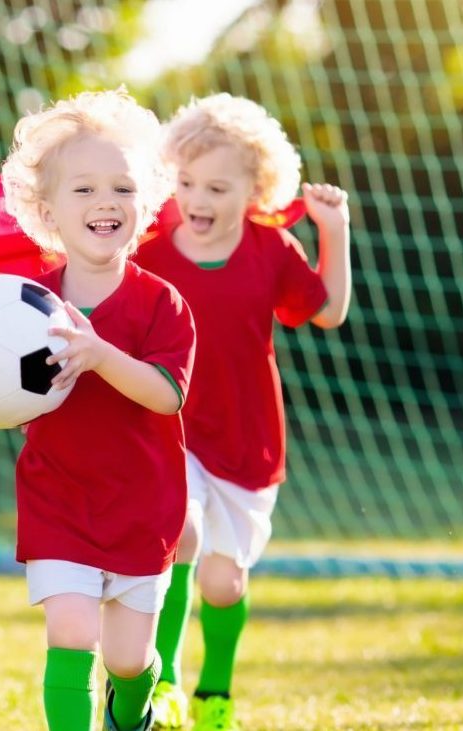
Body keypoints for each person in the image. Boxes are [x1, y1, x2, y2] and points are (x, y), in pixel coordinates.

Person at [132, 93, 351, 731]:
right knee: (180, 537)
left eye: (218, 187)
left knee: (223, 584)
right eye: (187, 182)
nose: (198, 199)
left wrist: (332, 231)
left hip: (247, 441)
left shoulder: (271, 249)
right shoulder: (149, 250)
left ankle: (215, 691)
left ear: (255, 188)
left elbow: (328, 311)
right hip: (171, 430)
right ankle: (163, 681)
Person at [0, 88, 197, 731]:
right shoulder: (22, 307)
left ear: (146, 204)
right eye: (82, 190)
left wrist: (99, 354)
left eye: (122, 187)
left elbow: (167, 394)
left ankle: (132, 710)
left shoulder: (162, 304)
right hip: (59, 501)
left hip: (142, 505)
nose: (104, 202)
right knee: (71, 635)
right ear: (46, 209)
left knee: (130, 658)